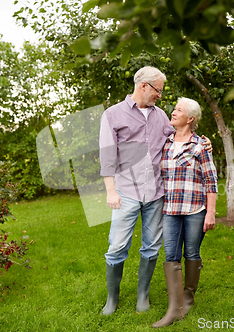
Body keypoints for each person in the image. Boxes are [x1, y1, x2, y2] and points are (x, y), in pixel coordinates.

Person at [98, 67, 211, 316]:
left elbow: (181, 137)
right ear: (145, 86)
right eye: (158, 90)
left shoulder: (161, 116)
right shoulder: (112, 115)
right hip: (126, 192)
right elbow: (107, 156)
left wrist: (203, 141)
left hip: (157, 194)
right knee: (117, 247)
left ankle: (142, 296)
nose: (160, 95)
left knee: (151, 247)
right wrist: (111, 191)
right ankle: (112, 299)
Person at [152, 97, 218, 328]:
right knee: (170, 254)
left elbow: (211, 181)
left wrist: (211, 213)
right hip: (170, 209)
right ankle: (174, 308)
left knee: (191, 251)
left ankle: (187, 298)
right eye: (174, 109)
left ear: (190, 118)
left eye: (178, 110)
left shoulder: (200, 145)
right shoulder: (165, 142)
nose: (173, 112)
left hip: (195, 209)